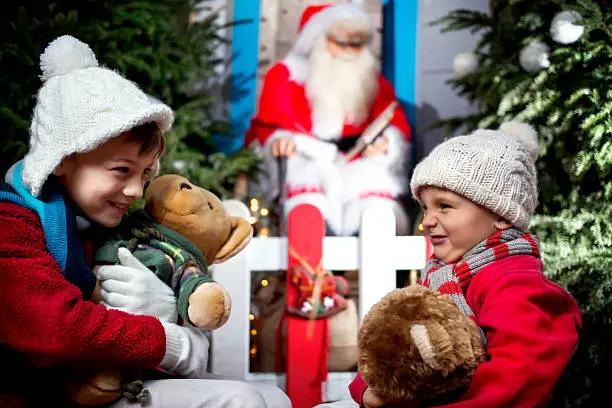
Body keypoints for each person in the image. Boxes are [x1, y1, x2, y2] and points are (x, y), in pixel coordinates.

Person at [0, 35, 291, 408]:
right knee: (241, 401)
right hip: (40, 394)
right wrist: (170, 342)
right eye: (122, 170)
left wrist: (170, 306)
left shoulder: (117, 227)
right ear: (61, 159)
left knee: (274, 397)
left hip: (112, 378)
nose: (137, 190)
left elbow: (183, 292)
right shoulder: (15, 224)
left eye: (146, 173)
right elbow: (56, 328)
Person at [317, 121, 582, 407]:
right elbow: (392, 343)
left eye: (445, 206)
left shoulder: (517, 284)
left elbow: (517, 377)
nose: (428, 220)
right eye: (425, 207)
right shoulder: (437, 277)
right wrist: (368, 390)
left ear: (501, 216)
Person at [246, 3, 412, 236]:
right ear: (317, 40)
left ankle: (364, 268)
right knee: (308, 210)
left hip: (361, 167)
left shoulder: (373, 82)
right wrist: (279, 141)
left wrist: (386, 144)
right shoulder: (285, 76)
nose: (349, 51)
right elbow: (268, 125)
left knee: (378, 211)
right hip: (309, 162)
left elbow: (394, 125)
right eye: (341, 43)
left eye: (357, 45)